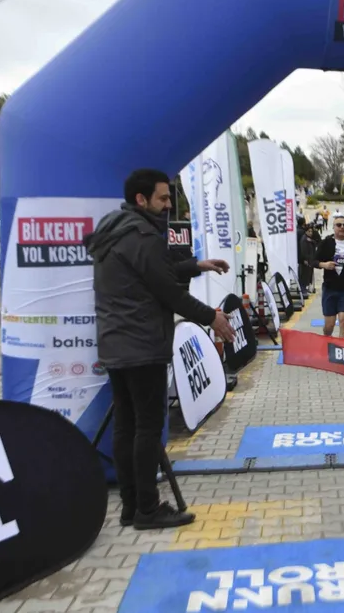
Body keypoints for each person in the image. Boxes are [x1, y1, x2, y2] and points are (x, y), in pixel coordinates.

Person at [84, 168, 237, 530]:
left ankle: (130, 505)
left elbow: (154, 269)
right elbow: (167, 290)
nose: (169, 205)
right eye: (163, 198)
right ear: (142, 199)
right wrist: (211, 317)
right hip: (142, 345)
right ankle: (149, 511)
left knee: (126, 425)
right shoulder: (143, 235)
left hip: (115, 344)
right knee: (148, 429)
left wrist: (196, 264)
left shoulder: (114, 228)